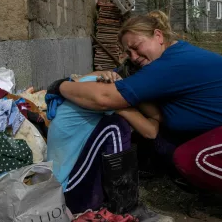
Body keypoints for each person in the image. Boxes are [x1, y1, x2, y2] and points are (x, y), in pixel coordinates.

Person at [57, 14, 222, 222]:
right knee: (165, 144)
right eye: (128, 52)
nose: (134, 56)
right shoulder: (161, 60)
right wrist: (85, 77)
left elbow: (105, 98)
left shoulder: (173, 64)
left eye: (137, 46)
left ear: (158, 36)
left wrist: (60, 87)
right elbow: (113, 76)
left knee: (193, 158)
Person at [46, 73, 172, 222]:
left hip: (67, 182)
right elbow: (150, 131)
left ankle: (110, 200)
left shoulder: (99, 82)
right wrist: (152, 116)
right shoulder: (104, 93)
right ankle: (127, 208)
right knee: (116, 126)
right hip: (67, 193)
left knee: (115, 124)